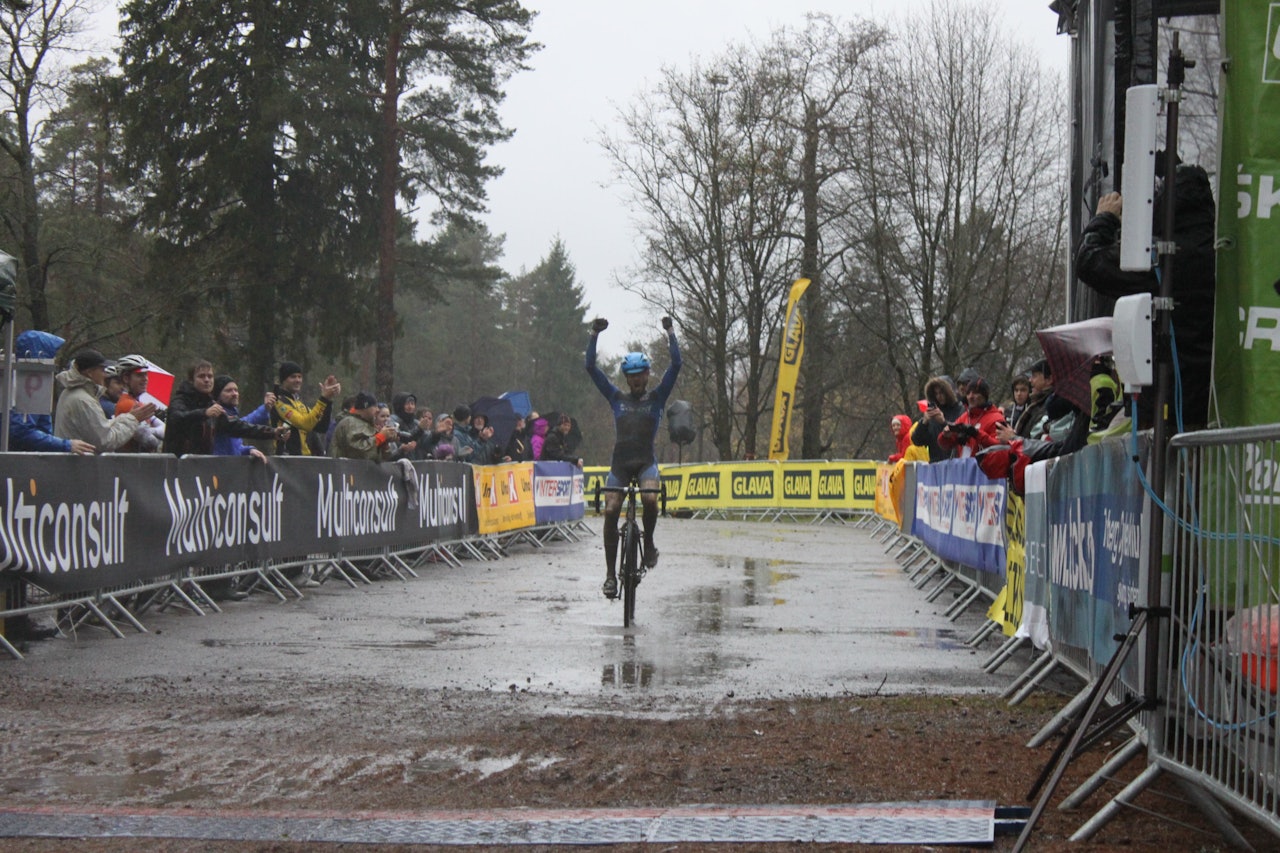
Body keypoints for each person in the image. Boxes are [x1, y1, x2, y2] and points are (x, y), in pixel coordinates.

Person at [1075, 163, 1216, 429]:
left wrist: (1105, 219)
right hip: (1212, 398)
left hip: (1167, 396)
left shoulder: (1165, 257)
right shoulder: (1221, 254)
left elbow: (1089, 262)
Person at [587, 315, 681, 599]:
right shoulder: (617, 398)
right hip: (620, 463)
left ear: (647, 375)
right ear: (627, 378)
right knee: (611, 510)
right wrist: (594, 335)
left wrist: (670, 332)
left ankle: (648, 542)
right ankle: (610, 576)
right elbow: (591, 367)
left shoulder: (657, 397)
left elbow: (676, 365)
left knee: (650, 498)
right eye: (632, 375)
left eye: (641, 374)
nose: (637, 379)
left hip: (645, 462)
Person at [163, 360, 286, 456]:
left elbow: (237, 426)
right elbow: (176, 418)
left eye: (210, 376)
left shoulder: (211, 405)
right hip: (177, 466)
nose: (207, 380)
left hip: (202, 466)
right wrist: (204, 413)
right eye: (201, 376)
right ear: (191, 380)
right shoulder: (180, 400)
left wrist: (272, 432)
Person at [53, 349, 158, 452]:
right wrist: (133, 419)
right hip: (79, 463)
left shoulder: (72, 393)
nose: (105, 374)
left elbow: (100, 428)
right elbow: (105, 441)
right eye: (102, 370)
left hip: (74, 461)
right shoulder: (84, 400)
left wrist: (129, 417)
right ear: (90, 373)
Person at [272, 360, 340, 455]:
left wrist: (328, 400)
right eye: (293, 377)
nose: (298, 380)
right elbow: (305, 424)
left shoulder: (300, 404)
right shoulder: (279, 402)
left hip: (303, 460)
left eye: (299, 377)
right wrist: (323, 399)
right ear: (283, 380)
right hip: (286, 459)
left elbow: (321, 427)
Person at [210, 375, 281, 461]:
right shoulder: (217, 417)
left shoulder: (232, 416)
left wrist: (249, 450)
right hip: (218, 467)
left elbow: (235, 446)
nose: (234, 394)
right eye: (228, 391)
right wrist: (272, 432)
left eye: (236, 390)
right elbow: (242, 427)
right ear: (218, 396)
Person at [937, 377, 1005, 459]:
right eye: (968, 393)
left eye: (975, 393)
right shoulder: (965, 417)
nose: (970, 397)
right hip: (965, 464)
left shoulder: (996, 419)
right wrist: (945, 436)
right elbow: (946, 445)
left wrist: (977, 434)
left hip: (985, 465)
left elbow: (1001, 448)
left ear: (984, 396)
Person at [110, 354, 166, 451]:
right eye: (139, 375)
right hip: (130, 458)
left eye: (146, 374)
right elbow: (151, 442)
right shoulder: (127, 404)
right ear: (126, 378)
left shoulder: (136, 402)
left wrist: (152, 430)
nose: (145, 379)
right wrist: (156, 432)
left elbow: (165, 429)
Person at [330, 392, 400, 460]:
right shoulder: (350, 422)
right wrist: (380, 437)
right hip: (345, 467)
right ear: (365, 407)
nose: (377, 410)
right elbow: (358, 452)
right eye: (374, 406)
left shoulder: (369, 425)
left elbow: (380, 459)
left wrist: (385, 443)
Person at [911, 377, 964, 462]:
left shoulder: (960, 410)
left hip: (955, 461)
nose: (939, 396)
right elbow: (917, 440)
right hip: (936, 463)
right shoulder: (932, 412)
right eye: (936, 393)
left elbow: (961, 435)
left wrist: (943, 422)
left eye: (942, 393)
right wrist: (924, 423)